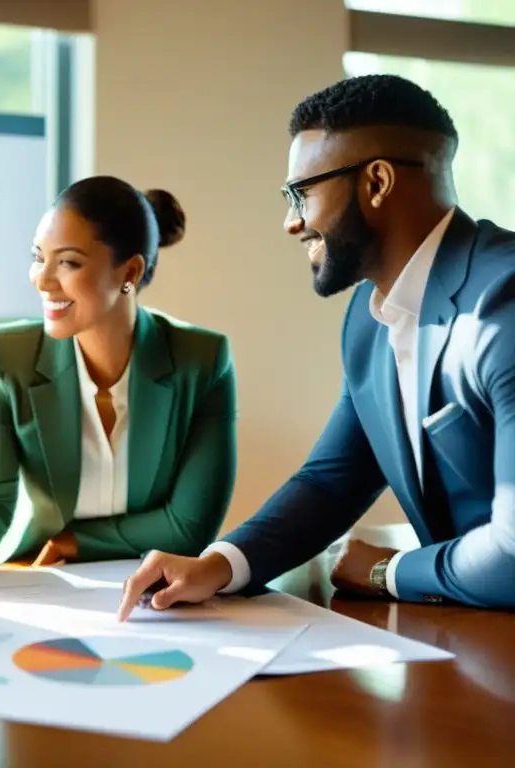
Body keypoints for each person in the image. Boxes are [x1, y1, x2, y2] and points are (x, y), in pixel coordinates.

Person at [119, 74, 515, 619]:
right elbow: (333, 480)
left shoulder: (502, 307)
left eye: (300, 193)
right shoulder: (367, 319)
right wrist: (218, 564)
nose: (291, 222)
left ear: (376, 183)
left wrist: (388, 572)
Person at [0, 175, 237, 576]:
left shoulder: (203, 361)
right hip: (41, 579)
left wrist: (71, 541)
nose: (41, 278)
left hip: (157, 589)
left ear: (131, 271)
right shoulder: (7, 357)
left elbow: (189, 526)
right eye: (39, 257)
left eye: (68, 262)